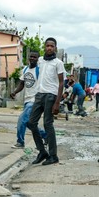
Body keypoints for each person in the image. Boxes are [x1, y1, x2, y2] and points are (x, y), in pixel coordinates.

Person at [27, 37, 65, 165]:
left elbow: (61, 83)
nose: (49, 48)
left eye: (52, 46)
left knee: (48, 124)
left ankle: (53, 155)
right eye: (47, 45)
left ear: (55, 48)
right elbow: (32, 67)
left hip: (51, 96)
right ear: (44, 47)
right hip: (39, 95)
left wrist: (57, 102)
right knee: (31, 123)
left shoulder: (58, 63)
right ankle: (42, 151)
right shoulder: (41, 61)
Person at [10, 52, 47, 149]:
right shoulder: (25, 69)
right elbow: (22, 84)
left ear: (38, 59)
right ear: (28, 58)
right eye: (31, 56)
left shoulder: (40, 70)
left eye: (35, 57)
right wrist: (15, 92)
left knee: (22, 119)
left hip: (35, 100)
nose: (32, 58)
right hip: (27, 100)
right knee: (29, 123)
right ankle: (45, 135)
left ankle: (20, 142)